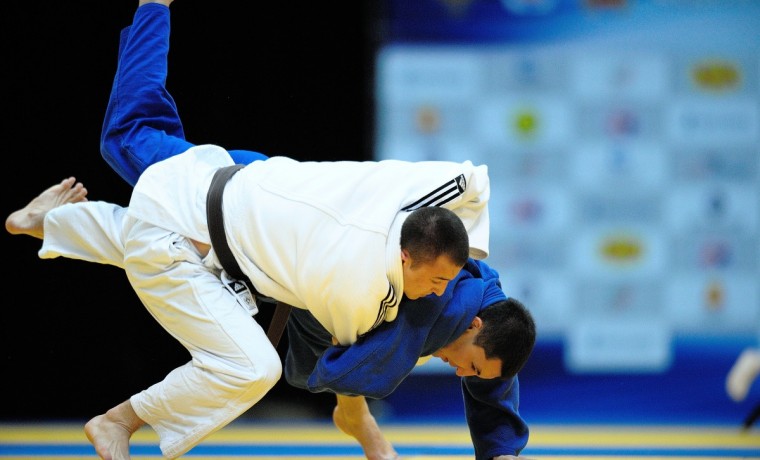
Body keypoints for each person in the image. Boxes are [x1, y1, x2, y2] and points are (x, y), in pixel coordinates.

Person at [6, 1, 538, 459]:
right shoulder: (371, 293)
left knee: (150, 192)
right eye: (469, 366)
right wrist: (359, 413)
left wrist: (502, 450)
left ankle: (46, 222)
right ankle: (122, 418)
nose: (462, 376)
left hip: (250, 180)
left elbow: (495, 353)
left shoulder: (465, 273)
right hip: (231, 221)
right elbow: (339, 369)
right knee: (141, 169)